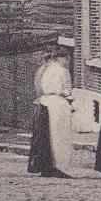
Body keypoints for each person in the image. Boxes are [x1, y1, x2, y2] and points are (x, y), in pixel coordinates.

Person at [36, 47, 76, 178]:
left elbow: (42, 86)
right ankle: (59, 165)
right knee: (59, 136)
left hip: (46, 103)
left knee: (49, 135)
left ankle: (48, 165)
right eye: (66, 59)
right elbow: (65, 90)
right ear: (62, 58)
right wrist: (67, 96)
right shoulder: (62, 71)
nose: (67, 62)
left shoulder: (47, 70)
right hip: (58, 105)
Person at [27, 50, 53, 174]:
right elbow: (41, 89)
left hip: (40, 103)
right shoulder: (45, 71)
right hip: (43, 104)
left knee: (39, 137)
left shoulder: (42, 70)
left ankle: (37, 164)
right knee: (42, 137)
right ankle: (40, 165)